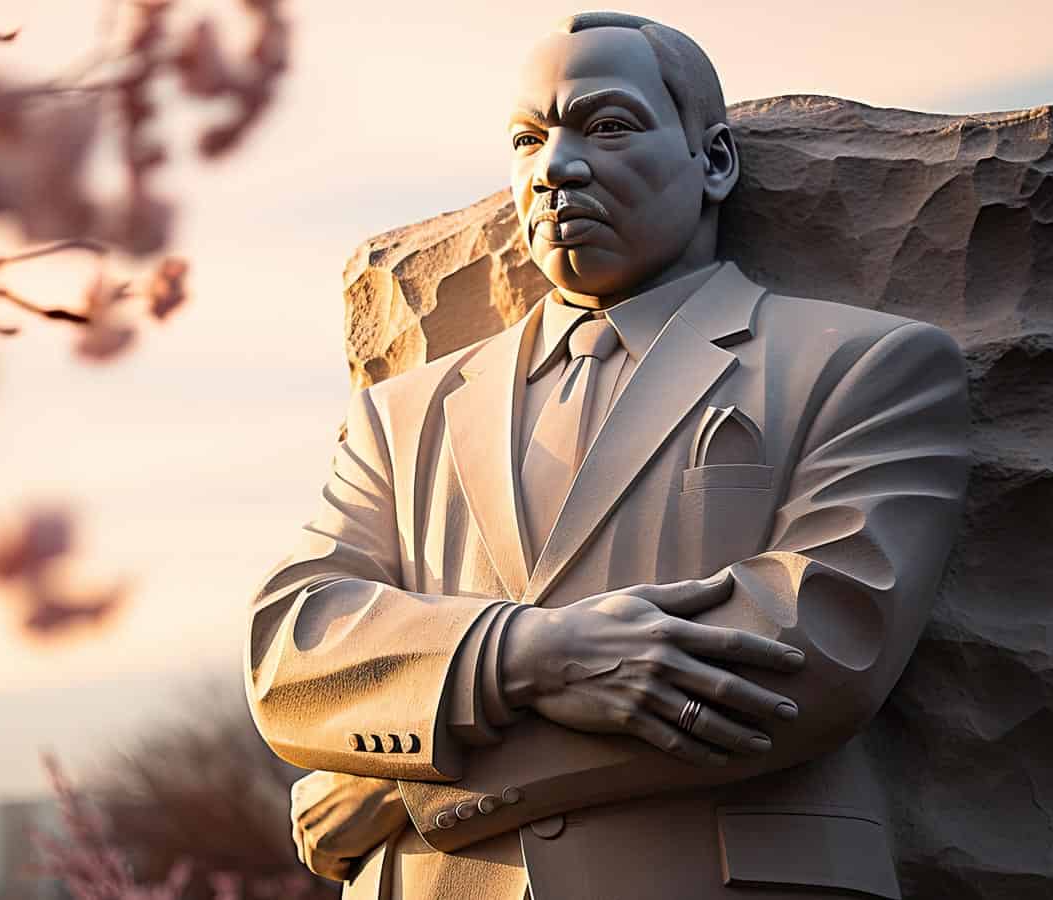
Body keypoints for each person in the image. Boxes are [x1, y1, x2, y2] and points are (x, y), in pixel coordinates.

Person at [247, 12, 970, 899]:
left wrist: (398, 778)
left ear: (714, 162)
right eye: (527, 139)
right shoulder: (404, 416)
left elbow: (813, 651)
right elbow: (291, 653)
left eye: (609, 125)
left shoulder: (861, 366)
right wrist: (529, 655)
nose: (554, 168)